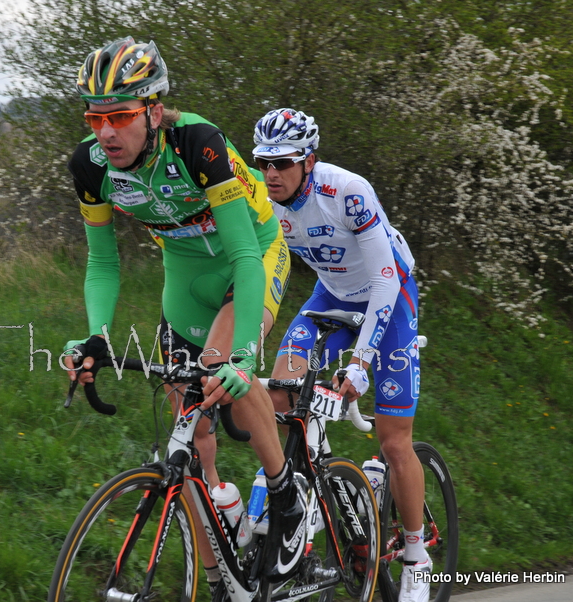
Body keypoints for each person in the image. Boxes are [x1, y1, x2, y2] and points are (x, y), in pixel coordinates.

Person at [62, 38, 305, 595]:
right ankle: (220, 559)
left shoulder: (198, 143)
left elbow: (246, 254)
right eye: (96, 118)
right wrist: (97, 337)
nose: (106, 132)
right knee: (187, 423)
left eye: (120, 116)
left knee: (224, 369)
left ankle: (284, 491)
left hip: (252, 257)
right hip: (187, 277)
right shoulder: (90, 166)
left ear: (151, 110)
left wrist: (245, 354)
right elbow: (102, 262)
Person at [253, 108, 431, 602]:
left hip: (388, 298)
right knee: (279, 397)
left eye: (283, 163)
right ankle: (311, 500)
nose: (271, 173)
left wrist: (360, 363)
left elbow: (384, 280)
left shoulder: (346, 191)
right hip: (330, 298)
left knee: (396, 444)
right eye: (264, 162)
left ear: (308, 161)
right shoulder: (266, 202)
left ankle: (416, 556)